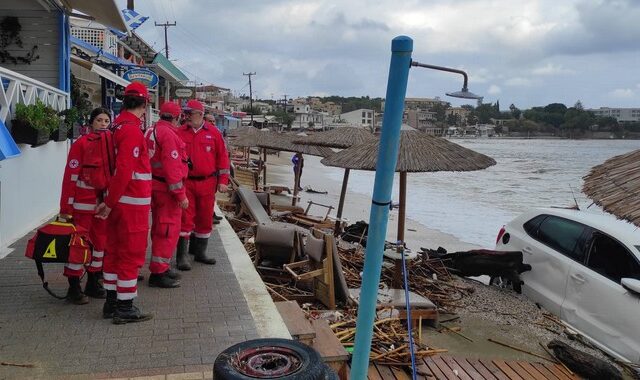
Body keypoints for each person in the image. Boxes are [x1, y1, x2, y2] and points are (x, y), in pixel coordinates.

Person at [95, 82, 153, 324]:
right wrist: (109, 202)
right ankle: (125, 307)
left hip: (119, 201)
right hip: (131, 203)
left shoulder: (116, 126)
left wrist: (109, 201)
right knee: (131, 253)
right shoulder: (130, 130)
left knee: (114, 252)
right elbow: (125, 169)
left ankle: (111, 302)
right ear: (144, 104)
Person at [58, 107, 111, 304]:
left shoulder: (110, 145)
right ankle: (73, 287)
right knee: (78, 246)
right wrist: (65, 208)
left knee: (100, 244)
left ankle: (93, 281)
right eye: (99, 120)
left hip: (101, 206)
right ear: (91, 123)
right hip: (82, 205)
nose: (103, 124)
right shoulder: (80, 144)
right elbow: (70, 178)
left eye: (106, 121)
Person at [175, 99, 230, 270]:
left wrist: (223, 182)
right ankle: (182, 256)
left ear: (199, 115)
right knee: (185, 218)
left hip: (207, 182)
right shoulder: (179, 132)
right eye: (185, 113)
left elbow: (223, 158)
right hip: (187, 183)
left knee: (205, 217)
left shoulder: (214, 133)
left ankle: (200, 253)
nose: (186, 117)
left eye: (189, 113)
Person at [145, 101, 189, 288]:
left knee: (158, 229)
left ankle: (161, 266)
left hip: (153, 186)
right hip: (166, 191)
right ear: (176, 117)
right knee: (167, 230)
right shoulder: (169, 135)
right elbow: (172, 169)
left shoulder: (151, 130)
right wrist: (180, 195)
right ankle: (159, 271)